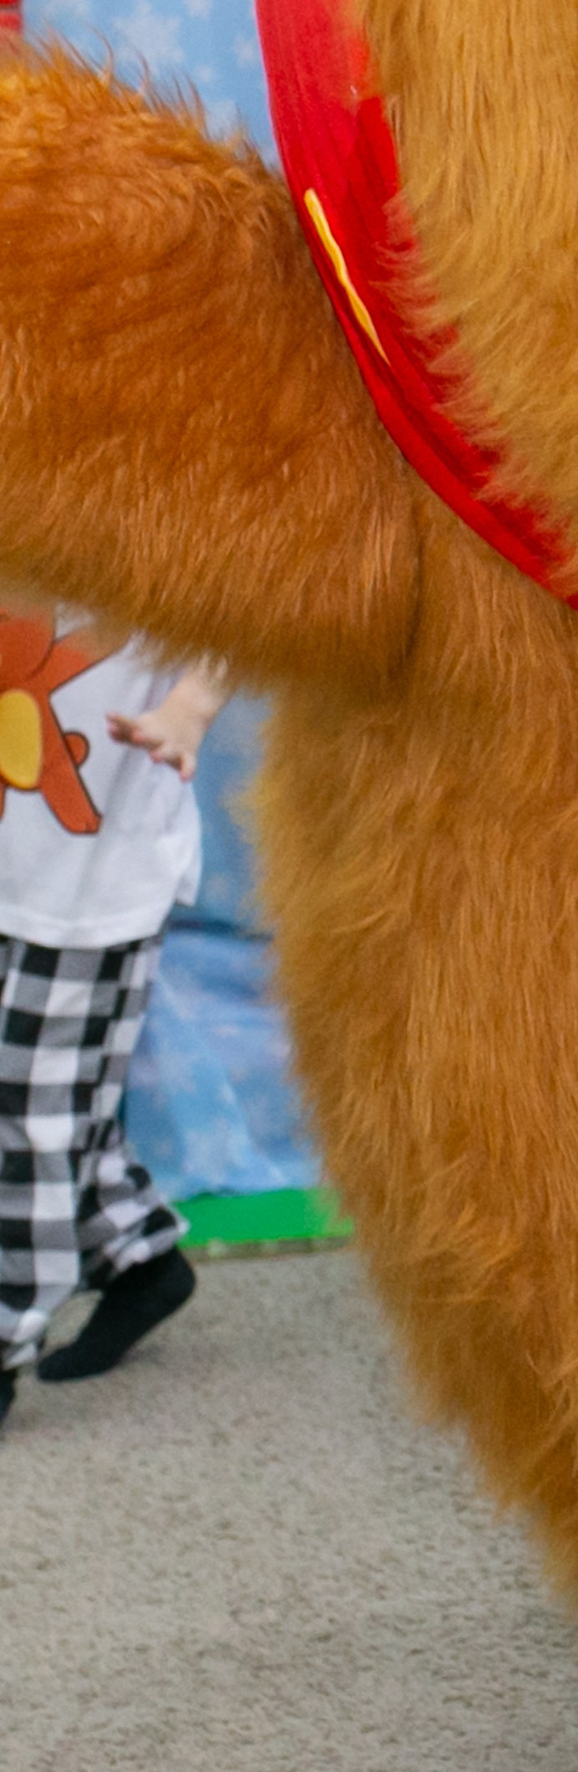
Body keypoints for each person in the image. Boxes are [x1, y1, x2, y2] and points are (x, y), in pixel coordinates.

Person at [0, 600, 230, 1428]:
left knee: (31, 1111)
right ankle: (139, 1258)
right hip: (16, 854)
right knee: (54, 1097)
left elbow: (237, 599)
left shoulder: (148, 495)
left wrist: (189, 708)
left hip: (96, 878)